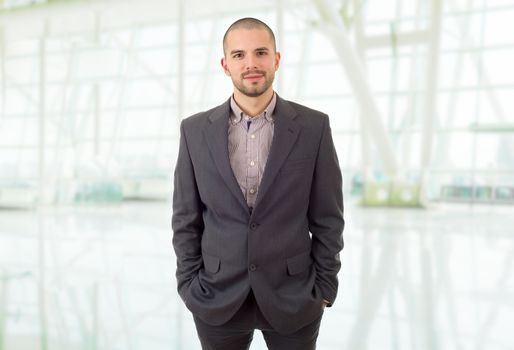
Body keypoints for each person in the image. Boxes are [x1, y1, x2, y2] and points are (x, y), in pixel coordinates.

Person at [172, 17, 344, 350]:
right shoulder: (194, 132)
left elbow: (328, 217)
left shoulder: (313, 127)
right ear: (225, 65)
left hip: (294, 296)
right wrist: (189, 285)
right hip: (216, 295)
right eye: (238, 55)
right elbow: (185, 218)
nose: (250, 63)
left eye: (261, 52)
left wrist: (324, 288)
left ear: (276, 59)